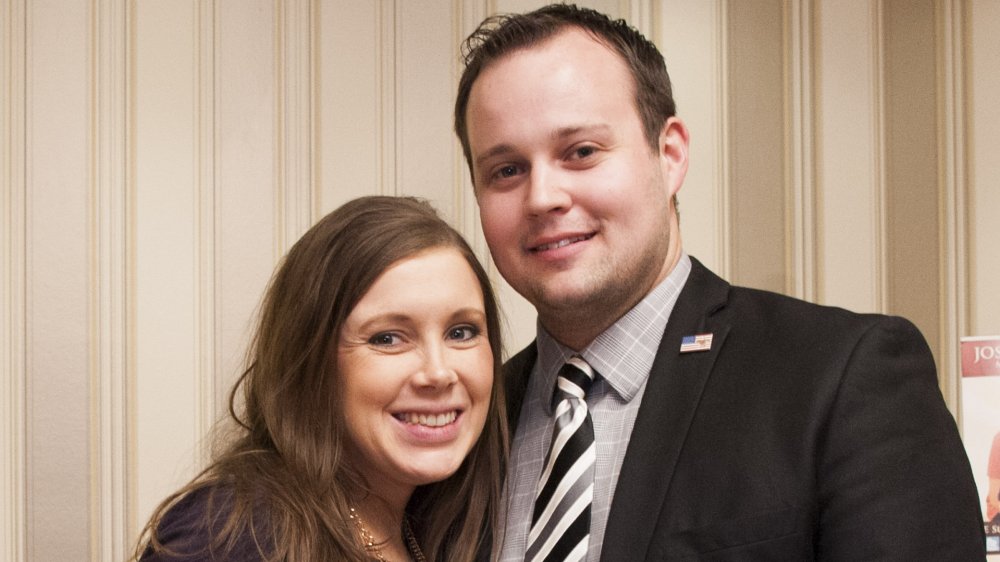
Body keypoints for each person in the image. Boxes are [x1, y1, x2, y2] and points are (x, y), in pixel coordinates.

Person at [454, 4, 985, 560]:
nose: (543, 197)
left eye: (581, 152)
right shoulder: (469, 425)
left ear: (670, 154)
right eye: (506, 170)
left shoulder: (841, 377)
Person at [133, 196, 508, 561]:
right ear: (311, 361)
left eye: (461, 332)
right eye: (387, 338)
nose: (439, 373)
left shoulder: (431, 530)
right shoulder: (231, 537)